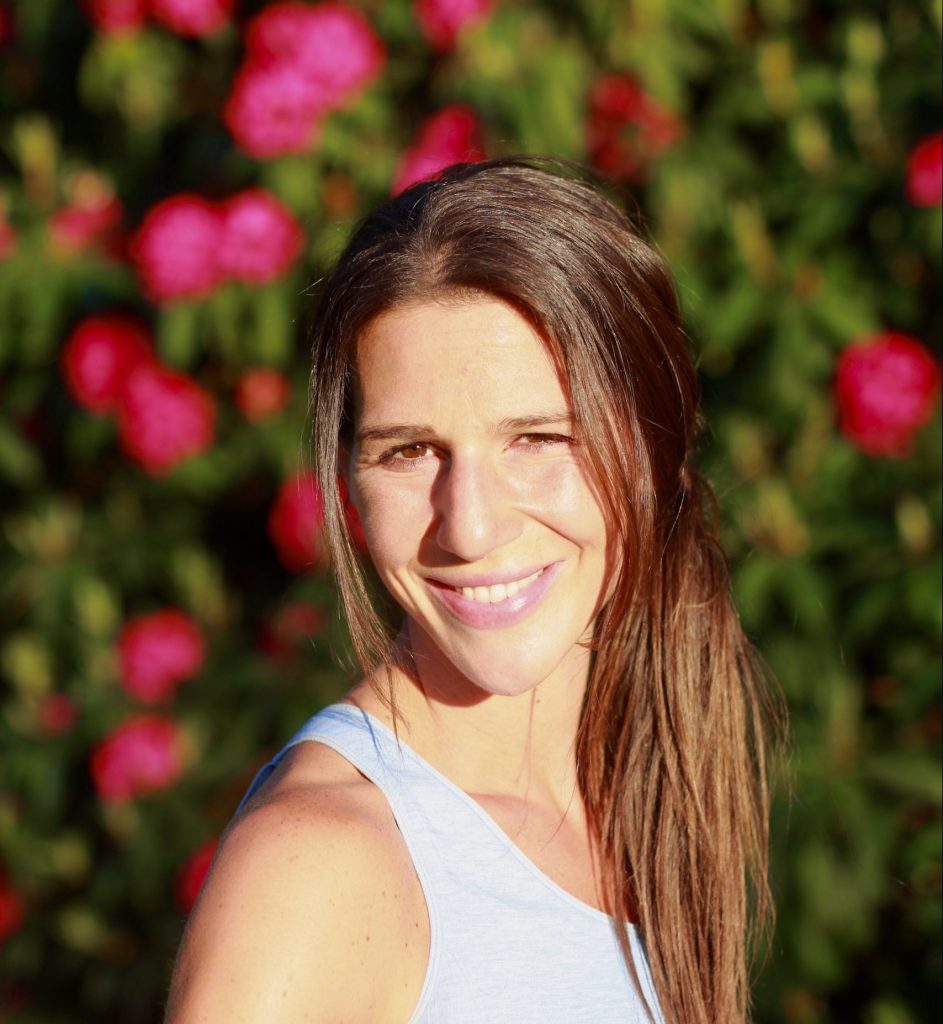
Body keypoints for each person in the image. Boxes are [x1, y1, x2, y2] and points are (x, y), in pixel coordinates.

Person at [165, 158, 777, 1024]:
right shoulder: (319, 870)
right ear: (348, 482)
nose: (470, 528)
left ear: (651, 442)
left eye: (537, 439)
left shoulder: (639, 799)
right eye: (409, 452)